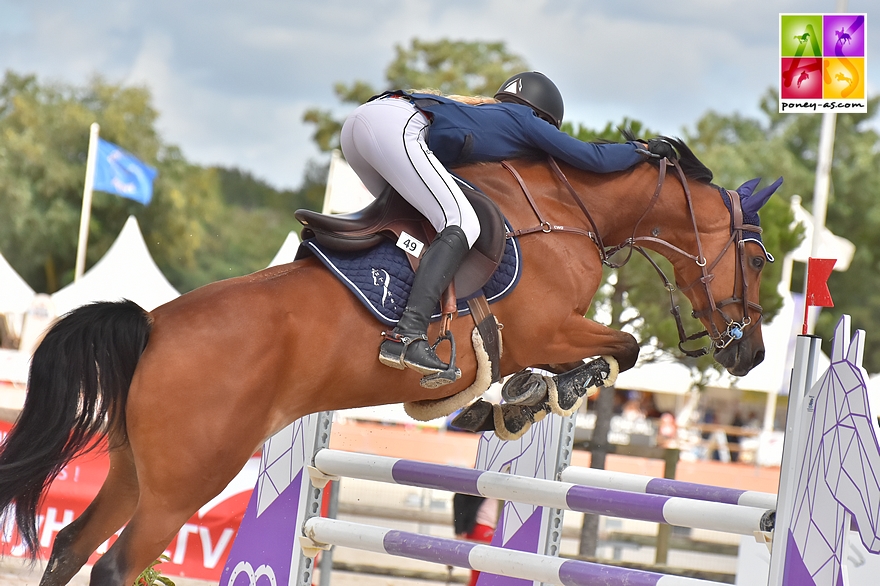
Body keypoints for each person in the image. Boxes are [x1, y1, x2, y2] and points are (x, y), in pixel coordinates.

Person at [340, 72, 656, 383]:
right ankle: (408, 335)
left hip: (359, 126)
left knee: (414, 224)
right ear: (544, 117)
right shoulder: (525, 119)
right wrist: (641, 151)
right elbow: (591, 157)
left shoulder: (488, 116)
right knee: (461, 221)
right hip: (396, 125)